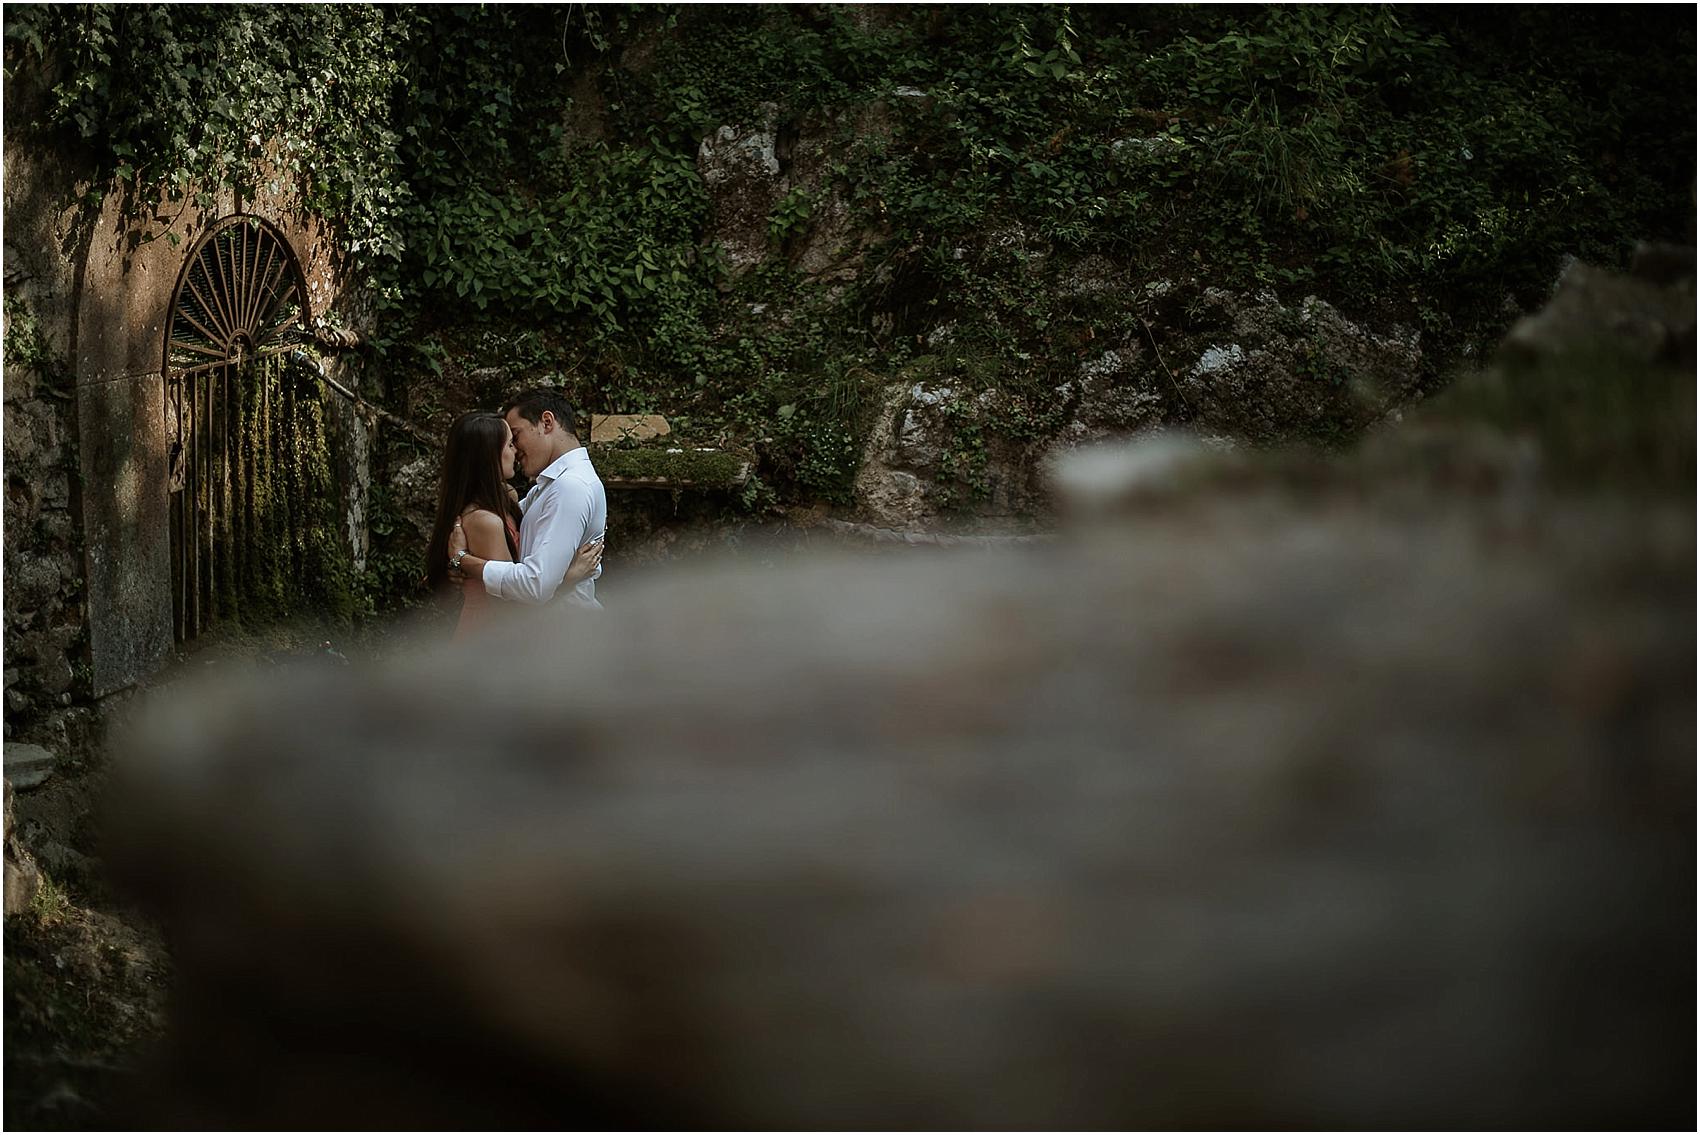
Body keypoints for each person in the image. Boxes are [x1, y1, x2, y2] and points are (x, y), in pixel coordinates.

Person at [447, 388, 607, 610]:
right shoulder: (550, 486)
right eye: (509, 442)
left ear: (547, 423)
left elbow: (535, 585)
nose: (515, 449)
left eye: (516, 435)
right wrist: (463, 568)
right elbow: (507, 527)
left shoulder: (570, 487)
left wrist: (463, 560)